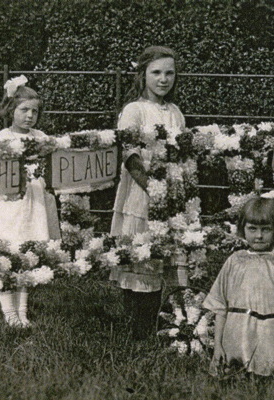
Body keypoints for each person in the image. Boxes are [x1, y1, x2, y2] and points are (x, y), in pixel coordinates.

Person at [110, 46, 185, 338]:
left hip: (172, 190)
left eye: (169, 73)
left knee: (165, 258)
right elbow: (130, 156)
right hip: (142, 193)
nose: (163, 79)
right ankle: (137, 331)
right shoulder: (134, 110)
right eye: (156, 73)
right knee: (141, 257)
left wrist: (176, 187)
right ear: (143, 75)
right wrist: (154, 187)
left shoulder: (176, 112)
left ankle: (164, 323)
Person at [202, 197, 274, 377]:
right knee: (236, 384)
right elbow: (220, 308)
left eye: (266, 229)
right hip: (237, 338)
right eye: (252, 229)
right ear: (243, 229)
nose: (259, 236)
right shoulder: (235, 261)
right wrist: (217, 346)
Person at [0, 75, 60, 328]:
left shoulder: (41, 137)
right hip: (9, 206)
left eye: (34, 111)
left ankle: (23, 310)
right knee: (9, 255)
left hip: (35, 204)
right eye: (24, 110)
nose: (29, 116)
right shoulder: (0, 138)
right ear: (11, 110)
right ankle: (8, 311)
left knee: (28, 256)